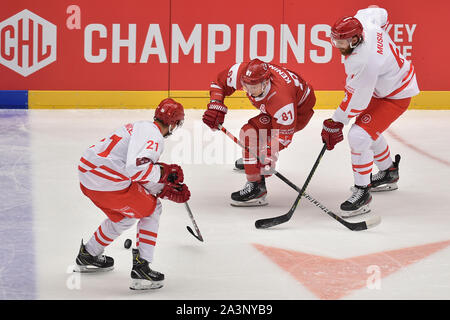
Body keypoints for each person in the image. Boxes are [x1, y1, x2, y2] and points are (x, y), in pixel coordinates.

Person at [74, 98, 190, 290]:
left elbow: (131, 170)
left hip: (88, 177)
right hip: (105, 181)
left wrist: (163, 187)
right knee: (152, 209)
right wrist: (164, 175)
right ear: (173, 123)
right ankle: (142, 269)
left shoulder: (140, 127)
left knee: (125, 216)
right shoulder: (154, 138)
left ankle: (89, 254)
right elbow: (136, 169)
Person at [321, 6, 419, 217]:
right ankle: (389, 172)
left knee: (359, 135)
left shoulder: (364, 61)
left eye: (342, 42)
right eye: (336, 40)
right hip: (386, 85)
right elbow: (380, 11)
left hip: (395, 95)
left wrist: (336, 121)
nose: (338, 46)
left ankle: (362, 191)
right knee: (368, 130)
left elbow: (357, 100)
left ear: (356, 40)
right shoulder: (365, 22)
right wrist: (381, 32)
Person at [203, 58, 316, 206]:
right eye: (245, 86)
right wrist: (215, 104)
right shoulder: (244, 73)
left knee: (249, 133)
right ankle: (252, 159)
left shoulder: (282, 101)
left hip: (299, 113)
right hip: (277, 108)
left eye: (253, 87)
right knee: (254, 137)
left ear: (266, 82)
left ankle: (256, 188)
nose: (249, 91)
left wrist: (269, 153)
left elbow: (284, 136)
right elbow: (219, 82)